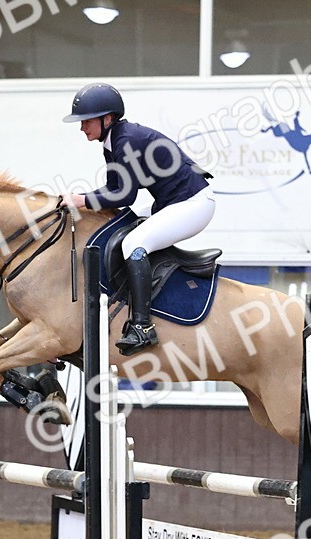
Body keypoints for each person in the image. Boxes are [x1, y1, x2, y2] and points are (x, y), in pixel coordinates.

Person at [63, 82, 215, 355]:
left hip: (193, 204)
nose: (82, 128)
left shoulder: (126, 140)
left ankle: (142, 326)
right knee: (120, 226)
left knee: (133, 244)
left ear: (107, 118)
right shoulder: (113, 142)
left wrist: (82, 200)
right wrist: (82, 199)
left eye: (86, 121)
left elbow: (125, 195)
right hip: (174, 203)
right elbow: (113, 190)